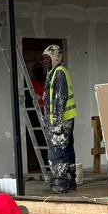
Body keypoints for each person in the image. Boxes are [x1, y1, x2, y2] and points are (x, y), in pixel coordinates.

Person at [42, 44, 77, 193]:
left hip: (60, 121)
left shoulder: (59, 72)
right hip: (65, 119)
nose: (44, 62)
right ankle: (69, 180)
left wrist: (55, 123)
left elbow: (59, 98)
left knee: (58, 151)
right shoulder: (54, 72)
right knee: (66, 149)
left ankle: (60, 182)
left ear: (56, 57)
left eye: (47, 58)